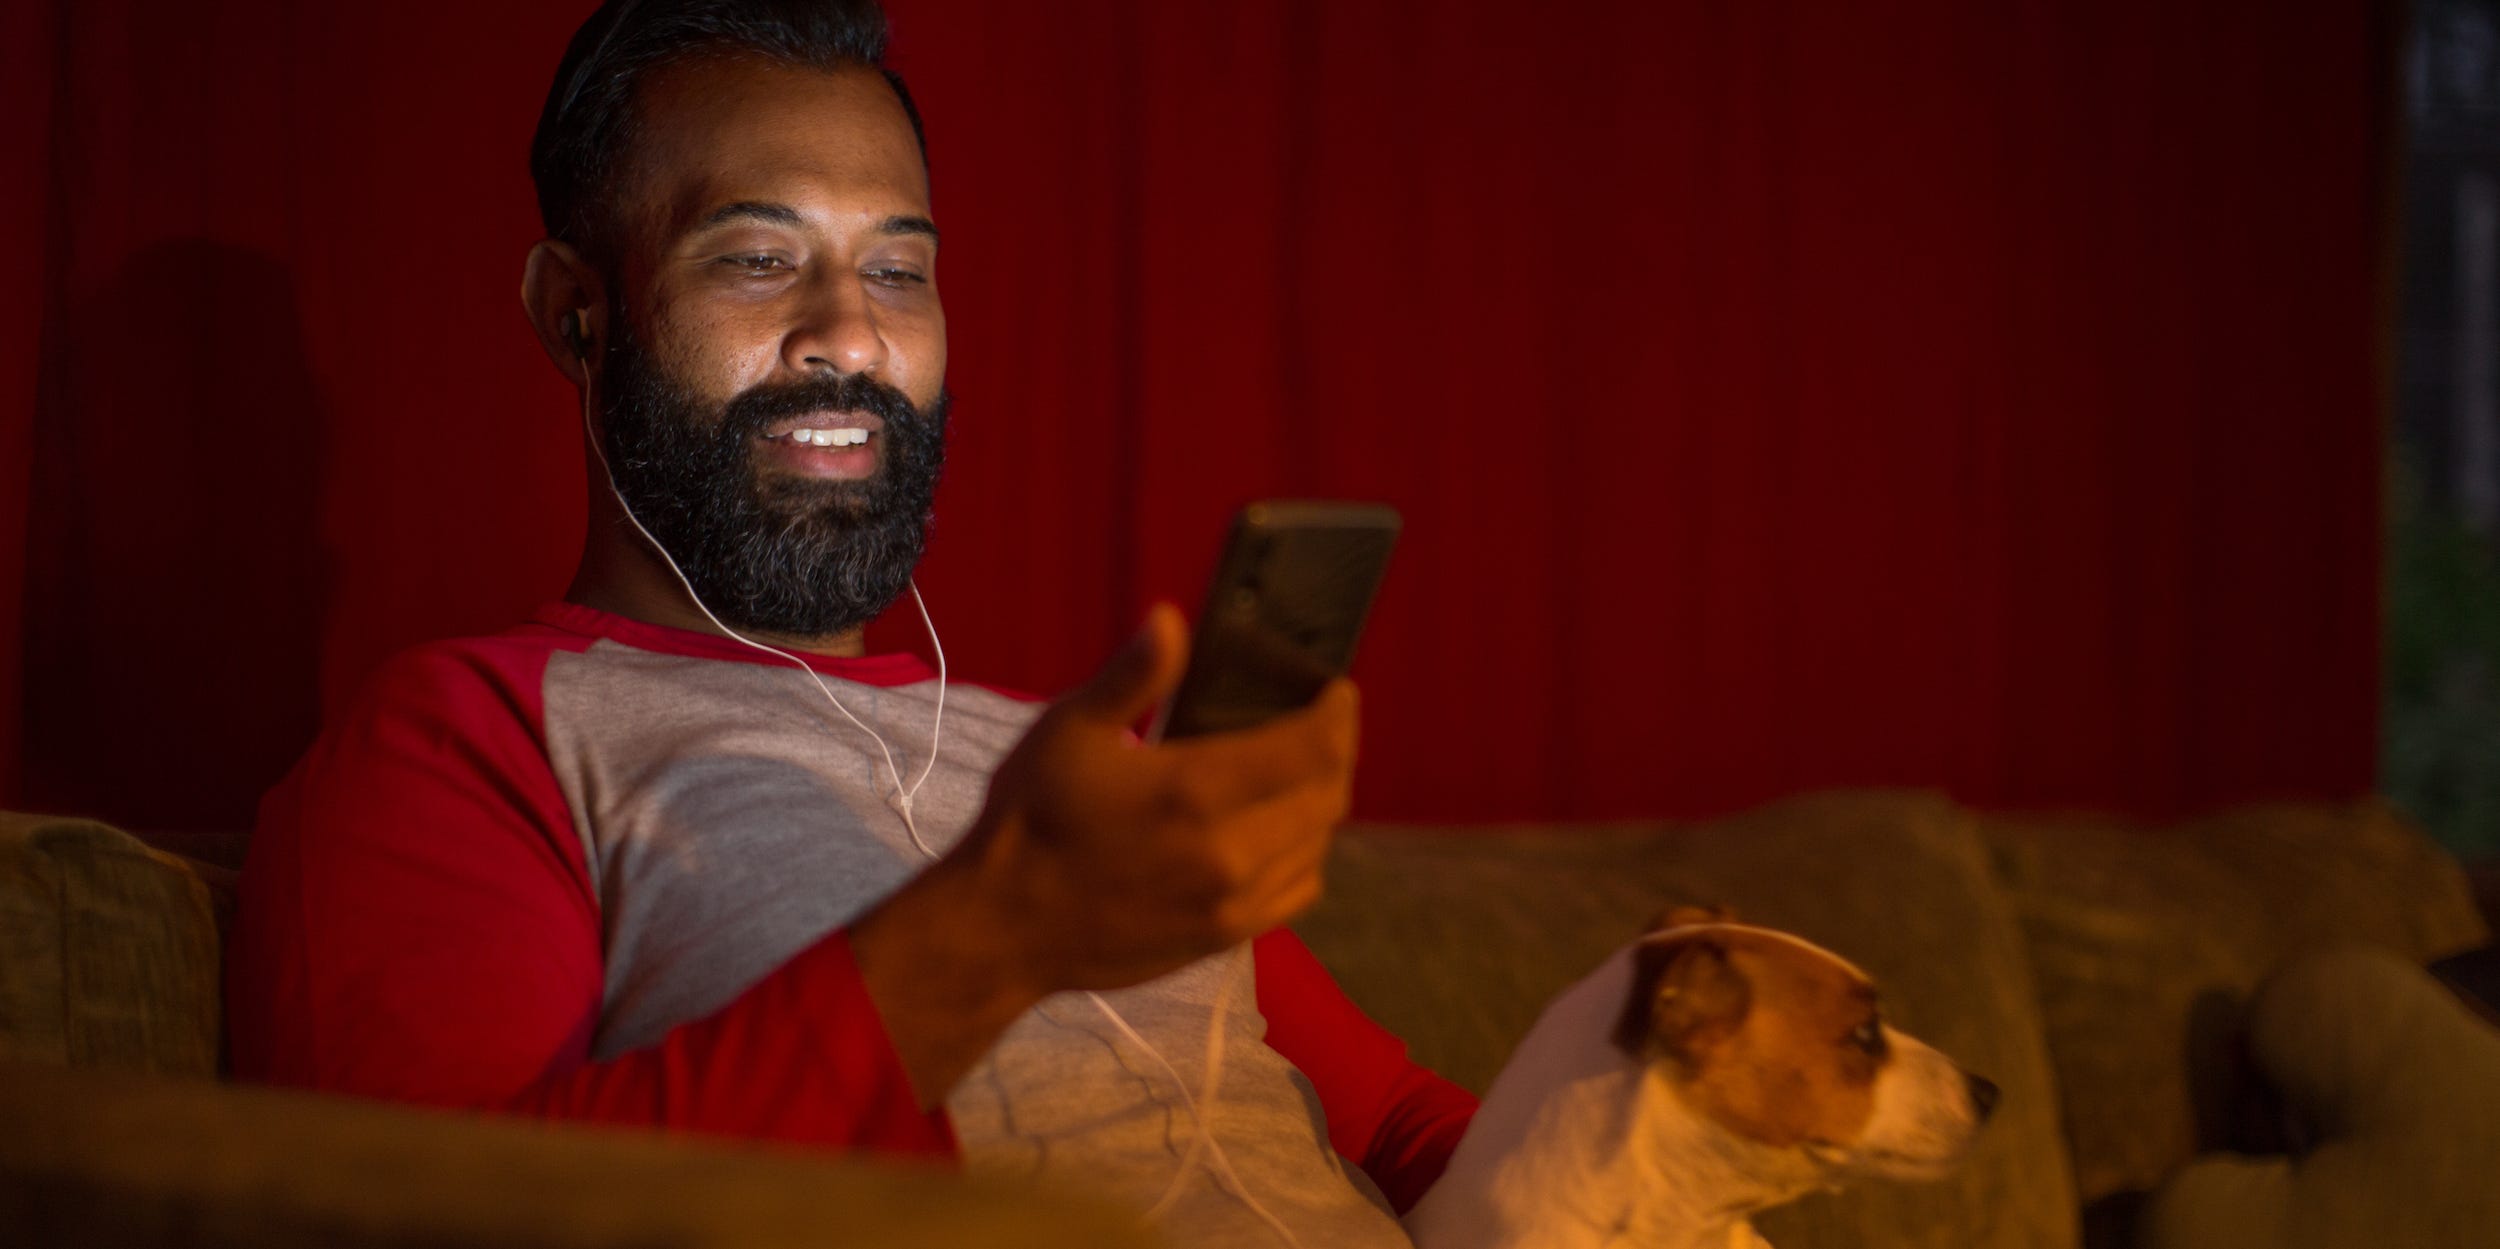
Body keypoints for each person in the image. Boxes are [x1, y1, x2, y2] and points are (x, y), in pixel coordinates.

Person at [222, 1, 1474, 1244]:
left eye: (895, 269)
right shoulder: (461, 738)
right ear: (575, 312)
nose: (852, 337)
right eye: (758, 259)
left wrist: (1630, 1075)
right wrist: (993, 929)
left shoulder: (1073, 770)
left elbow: (1401, 1127)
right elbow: (426, 1214)